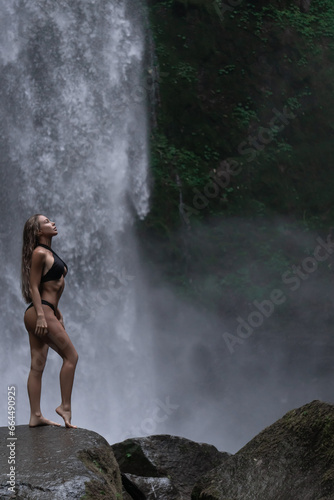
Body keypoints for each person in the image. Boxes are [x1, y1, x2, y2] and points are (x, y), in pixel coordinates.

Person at [22, 214, 78, 428]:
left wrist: (57, 312)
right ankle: (65, 406)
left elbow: (51, 287)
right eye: (46, 222)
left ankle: (35, 415)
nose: (53, 223)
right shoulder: (38, 253)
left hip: (46, 310)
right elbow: (34, 286)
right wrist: (43, 315)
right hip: (40, 311)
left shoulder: (48, 252)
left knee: (37, 365)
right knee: (71, 357)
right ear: (37, 232)